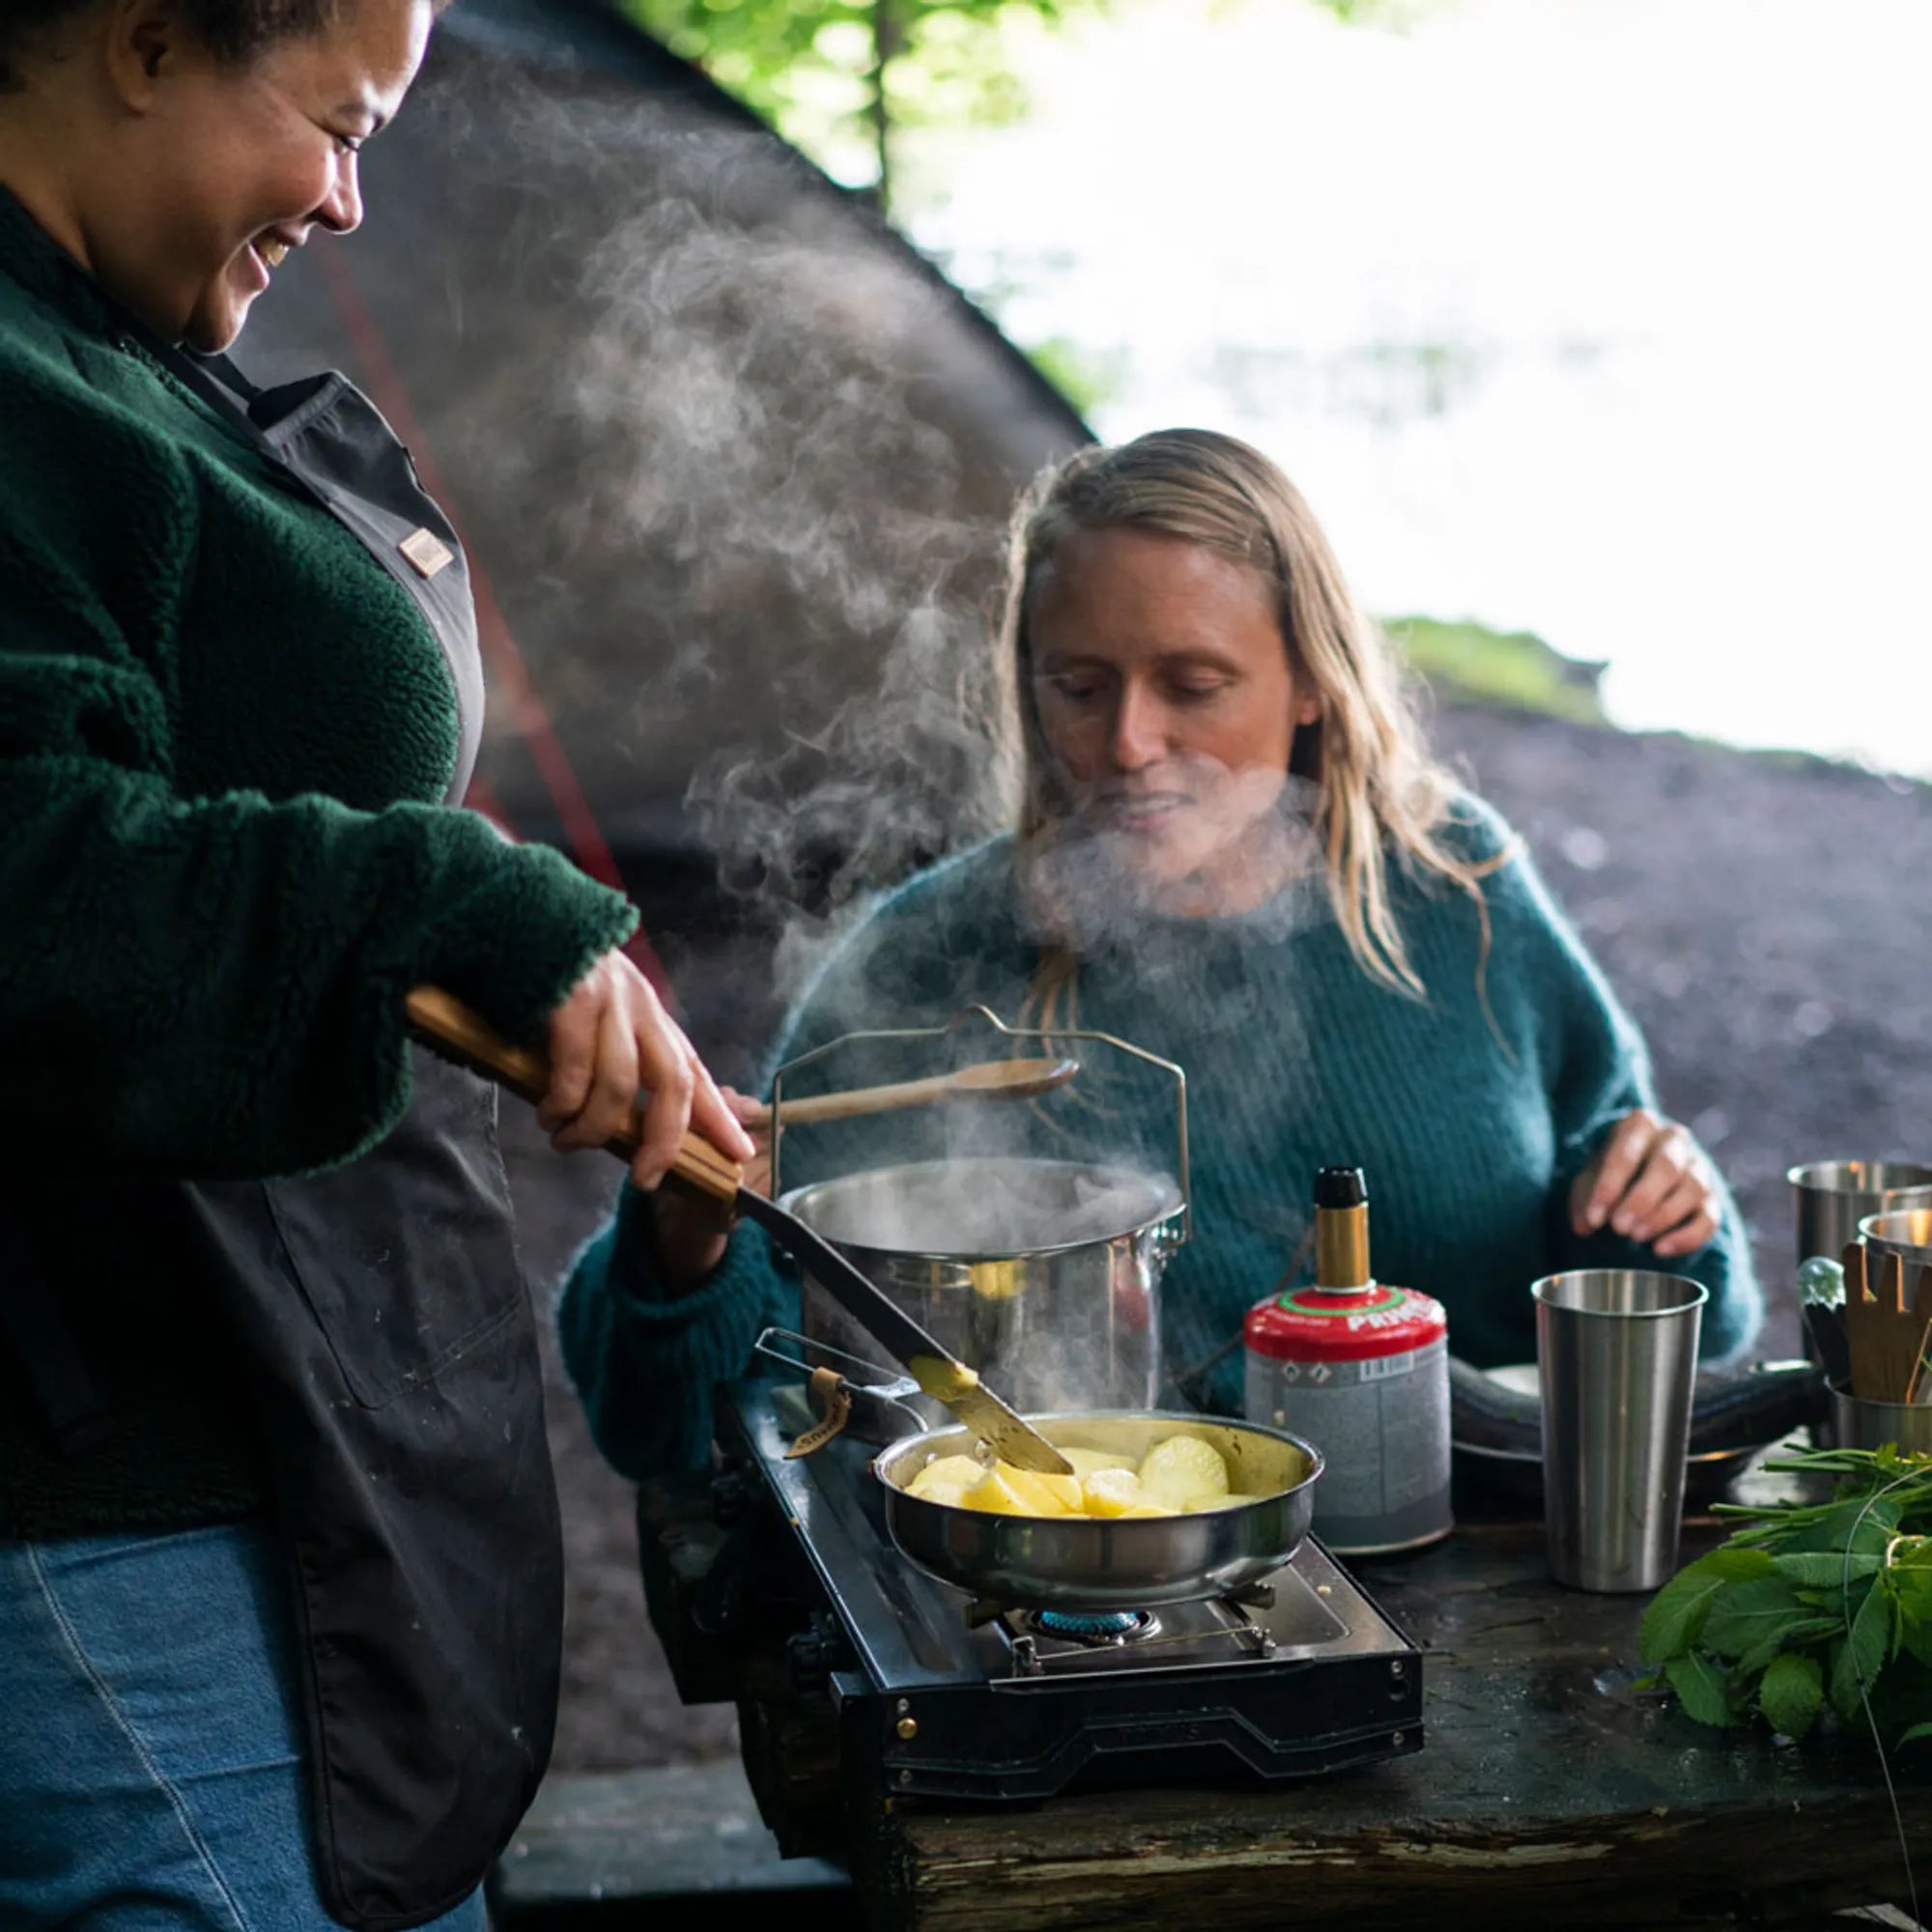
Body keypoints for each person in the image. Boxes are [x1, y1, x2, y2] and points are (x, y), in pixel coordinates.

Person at [0, 3, 754, 1927]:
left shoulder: (102, 346)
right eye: (333, 123)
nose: (348, 198)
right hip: (104, 1495)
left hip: (271, 1453)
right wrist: (430, 896)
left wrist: (496, 913)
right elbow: (30, 870)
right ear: (147, 42)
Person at [557, 428, 1761, 1480]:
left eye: (1192, 684)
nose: (1129, 741)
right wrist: (681, 1237)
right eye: (1078, 686)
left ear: (1308, 684)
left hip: (1496, 1547)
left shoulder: (1448, 881)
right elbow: (663, 1420)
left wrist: (1652, 1207)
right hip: (1109, 1596)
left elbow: (1688, 1322)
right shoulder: (935, 958)